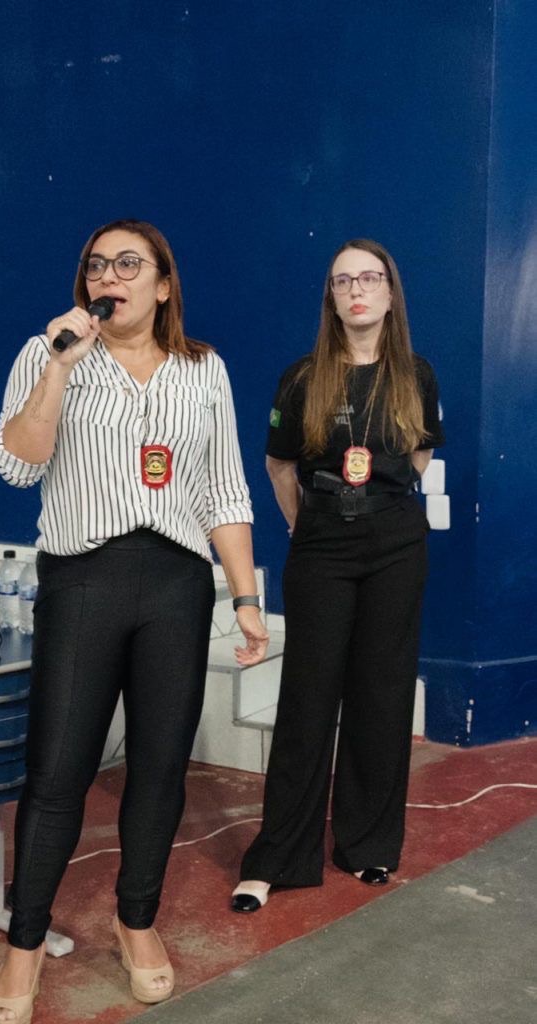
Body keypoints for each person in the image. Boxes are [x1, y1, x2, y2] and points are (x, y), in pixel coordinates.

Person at [0, 219, 269, 1020]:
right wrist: (58, 368)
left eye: (127, 264)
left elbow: (223, 490)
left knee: (159, 766)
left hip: (176, 583)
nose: (108, 277)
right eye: (96, 266)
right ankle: (24, 941)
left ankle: (136, 920)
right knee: (56, 773)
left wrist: (246, 599)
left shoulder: (202, 369)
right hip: (84, 579)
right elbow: (17, 464)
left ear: (163, 284)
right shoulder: (49, 354)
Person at [231, 238, 444, 914]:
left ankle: (367, 844)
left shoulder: (415, 375)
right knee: (307, 700)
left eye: (369, 278)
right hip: (321, 543)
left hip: (394, 545)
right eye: (342, 280)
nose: (356, 290)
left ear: (389, 292)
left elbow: (416, 456)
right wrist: (309, 525)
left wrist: (378, 500)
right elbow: (279, 468)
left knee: (382, 697)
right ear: (330, 296)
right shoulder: (302, 378)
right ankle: (278, 859)